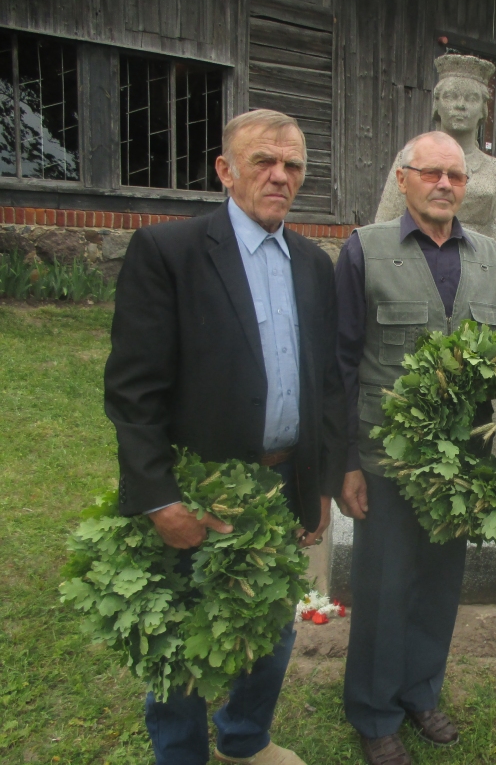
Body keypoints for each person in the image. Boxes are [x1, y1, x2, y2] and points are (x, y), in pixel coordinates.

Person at [103, 109, 346, 765]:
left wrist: (319, 486)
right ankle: (180, 754)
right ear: (225, 170)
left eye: (292, 165)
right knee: (183, 632)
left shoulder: (312, 264)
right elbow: (133, 392)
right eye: (264, 161)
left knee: (270, 623)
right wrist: (159, 498)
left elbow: (325, 383)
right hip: (197, 488)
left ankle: (245, 740)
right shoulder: (170, 252)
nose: (279, 176)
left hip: (283, 481)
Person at [335, 130, 496, 765]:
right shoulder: (364, 250)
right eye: (431, 173)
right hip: (385, 458)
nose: (444, 185)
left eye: (455, 176)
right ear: (403, 178)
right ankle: (374, 713)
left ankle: (419, 692)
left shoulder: (491, 258)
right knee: (384, 587)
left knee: (439, 584)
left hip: (462, 463)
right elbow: (341, 363)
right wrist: (346, 463)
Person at [375, 53, 496, 268]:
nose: (460, 106)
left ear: (483, 109)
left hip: (475, 272)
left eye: (471, 98)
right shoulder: (410, 159)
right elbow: (383, 226)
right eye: (451, 96)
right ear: (437, 104)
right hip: (414, 266)